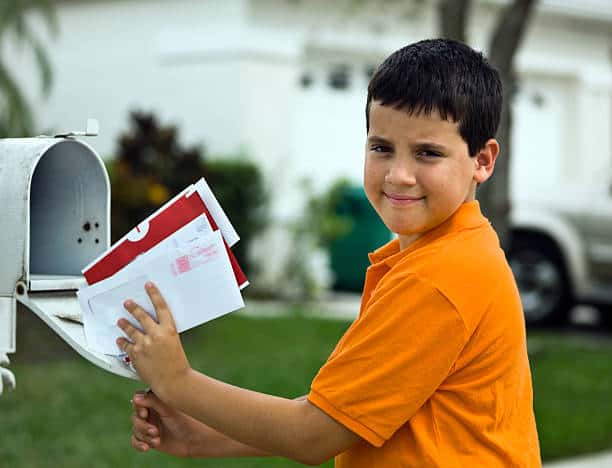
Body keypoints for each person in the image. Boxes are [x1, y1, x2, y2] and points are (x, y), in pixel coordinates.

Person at [119, 38, 541, 466]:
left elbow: (312, 436)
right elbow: (350, 417)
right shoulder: (454, 253)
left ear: (482, 161)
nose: (399, 175)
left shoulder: (438, 279)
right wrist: (203, 437)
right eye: (381, 147)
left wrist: (179, 381)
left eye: (427, 153)